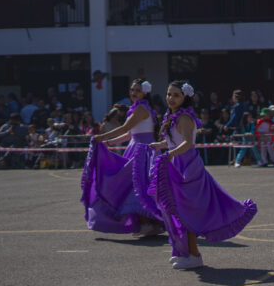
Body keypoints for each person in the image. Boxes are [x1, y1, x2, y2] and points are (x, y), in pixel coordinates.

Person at [149, 81, 257, 269]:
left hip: (187, 167)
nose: (170, 98)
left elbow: (187, 144)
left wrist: (169, 154)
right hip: (176, 164)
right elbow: (174, 142)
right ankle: (186, 253)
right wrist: (161, 146)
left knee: (188, 212)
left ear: (185, 98)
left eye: (176, 95)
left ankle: (194, 255)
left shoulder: (184, 117)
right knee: (178, 211)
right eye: (169, 94)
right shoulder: (172, 115)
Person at [81, 80, 163, 237]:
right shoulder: (140, 108)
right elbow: (128, 135)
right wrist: (108, 142)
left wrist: (100, 137)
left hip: (143, 151)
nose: (133, 93)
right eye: (132, 89)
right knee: (138, 186)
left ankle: (147, 222)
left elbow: (125, 128)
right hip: (138, 148)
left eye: (138, 90)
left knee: (137, 186)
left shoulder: (141, 109)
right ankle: (150, 223)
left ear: (145, 93)